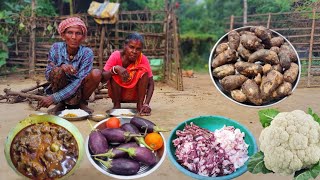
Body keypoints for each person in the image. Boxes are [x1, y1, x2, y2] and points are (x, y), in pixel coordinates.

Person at [38, 17, 101, 114]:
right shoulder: (56, 48)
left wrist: (54, 97)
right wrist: (60, 66)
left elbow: (79, 81)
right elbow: (47, 74)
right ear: (63, 35)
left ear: (83, 37)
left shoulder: (87, 53)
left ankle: (81, 102)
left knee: (96, 73)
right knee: (57, 71)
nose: (74, 37)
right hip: (61, 87)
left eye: (78, 33)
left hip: (79, 89)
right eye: (70, 32)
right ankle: (62, 104)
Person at [102, 32, 154, 116]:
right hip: (118, 94)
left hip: (135, 95)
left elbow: (151, 83)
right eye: (131, 47)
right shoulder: (115, 56)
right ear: (124, 46)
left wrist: (146, 103)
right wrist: (115, 69)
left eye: (138, 49)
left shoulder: (143, 59)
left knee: (144, 72)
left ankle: (140, 105)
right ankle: (117, 105)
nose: (134, 51)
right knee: (114, 71)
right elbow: (103, 77)